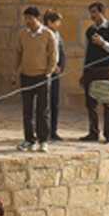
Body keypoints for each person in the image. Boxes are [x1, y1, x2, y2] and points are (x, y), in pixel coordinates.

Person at [14, 6, 59, 151]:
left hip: (42, 76)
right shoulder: (23, 34)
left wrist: (48, 72)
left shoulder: (47, 34)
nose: (28, 21)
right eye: (26, 18)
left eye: (30, 18)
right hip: (26, 75)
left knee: (42, 110)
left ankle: (43, 140)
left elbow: (53, 54)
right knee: (27, 110)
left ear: (38, 18)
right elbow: (18, 53)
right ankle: (29, 139)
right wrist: (15, 71)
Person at [80, 2, 109, 142]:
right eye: (91, 12)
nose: (92, 15)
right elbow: (87, 52)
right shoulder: (90, 30)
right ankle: (93, 132)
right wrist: (83, 71)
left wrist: (103, 43)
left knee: (107, 102)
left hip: (104, 70)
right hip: (90, 69)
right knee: (91, 103)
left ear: (101, 12)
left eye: (94, 12)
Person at [42, 10, 65, 142]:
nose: (59, 24)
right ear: (49, 22)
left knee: (54, 102)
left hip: (56, 74)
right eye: (57, 21)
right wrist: (50, 67)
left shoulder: (57, 35)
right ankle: (44, 131)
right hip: (45, 73)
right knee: (44, 104)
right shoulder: (44, 35)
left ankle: (54, 130)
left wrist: (60, 67)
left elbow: (61, 53)